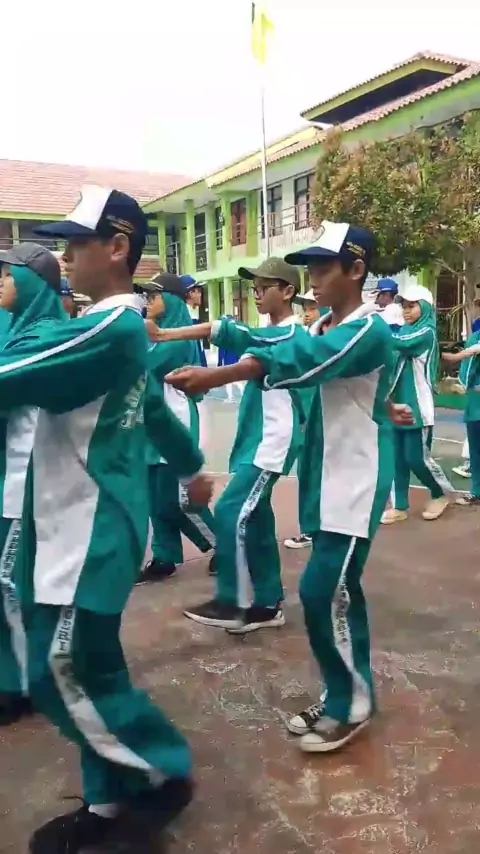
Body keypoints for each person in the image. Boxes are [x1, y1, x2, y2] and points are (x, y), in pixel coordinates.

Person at [0, 186, 213, 853]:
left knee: (56, 669)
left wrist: (191, 469)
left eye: (74, 244)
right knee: (92, 670)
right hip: (72, 524)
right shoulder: (109, 328)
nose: (64, 258)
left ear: (117, 248)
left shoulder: (111, 327)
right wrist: (192, 466)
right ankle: (106, 803)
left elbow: (13, 370)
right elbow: (152, 410)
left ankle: (159, 773)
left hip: (89, 530)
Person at [166, 221, 417, 753]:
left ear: (356, 269)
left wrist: (217, 376)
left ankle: (352, 703)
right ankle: (342, 692)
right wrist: (383, 405)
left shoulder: (367, 329)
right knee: (336, 591)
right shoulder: (324, 324)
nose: (314, 279)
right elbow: (282, 348)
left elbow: (304, 361)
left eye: (324, 269)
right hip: (326, 478)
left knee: (325, 590)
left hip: (355, 481)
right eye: (311, 269)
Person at [152, 258, 311, 634]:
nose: (256, 293)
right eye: (254, 287)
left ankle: (232, 601)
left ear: (288, 291)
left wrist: (166, 337)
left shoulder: (292, 334)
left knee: (230, 510)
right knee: (256, 520)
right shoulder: (269, 333)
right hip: (254, 439)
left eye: (264, 287)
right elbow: (236, 335)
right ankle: (268, 603)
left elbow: (236, 337)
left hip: (272, 441)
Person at [0, 243, 67, 726]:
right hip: (16, 475)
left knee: (10, 581)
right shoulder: (21, 330)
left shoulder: (46, 338)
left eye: (9, 275)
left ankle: (22, 684)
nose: (1, 283)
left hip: (29, 479)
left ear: (32, 282)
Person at [138, 272, 216, 583]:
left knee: (178, 500)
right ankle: (164, 555)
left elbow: (143, 367)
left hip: (176, 422)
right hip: (152, 427)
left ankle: (222, 544)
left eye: (154, 296)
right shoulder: (157, 336)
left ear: (171, 299)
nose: (148, 302)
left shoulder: (176, 338)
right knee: (156, 499)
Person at [382, 284, 454, 525]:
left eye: (412, 306)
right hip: (396, 405)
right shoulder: (403, 331)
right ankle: (399, 506)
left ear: (425, 307)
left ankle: (440, 493)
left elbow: (399, 343)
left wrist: (373, 326)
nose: (406, 310)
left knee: (416, 458)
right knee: (396, 459)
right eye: (404, 306)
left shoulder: (425, 333)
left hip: (418, 408)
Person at [284, 288, 322, 550]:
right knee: (308, 474)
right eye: (305, 309)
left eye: (312, 308)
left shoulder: (323, 342)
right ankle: (313, 529)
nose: (307, 314)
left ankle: (314, 530)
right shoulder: (309, 337)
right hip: (308, 419)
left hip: (318, 421)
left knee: (314, 475)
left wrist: (305, 417)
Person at [442, 333, 480, 505]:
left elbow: (466, 354)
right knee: (475, 451)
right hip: (474, 404)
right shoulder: (475, 337)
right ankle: (476, 492)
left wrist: (450, 356)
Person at [217, 318, 244, 402]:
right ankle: (241, 395)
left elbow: (221, 353)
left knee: (229, 381)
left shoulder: (223, 338)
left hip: (228, 362)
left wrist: (219, 363)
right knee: (236, 380)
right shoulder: (236, 336)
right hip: (236, 361)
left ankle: (231, 397)